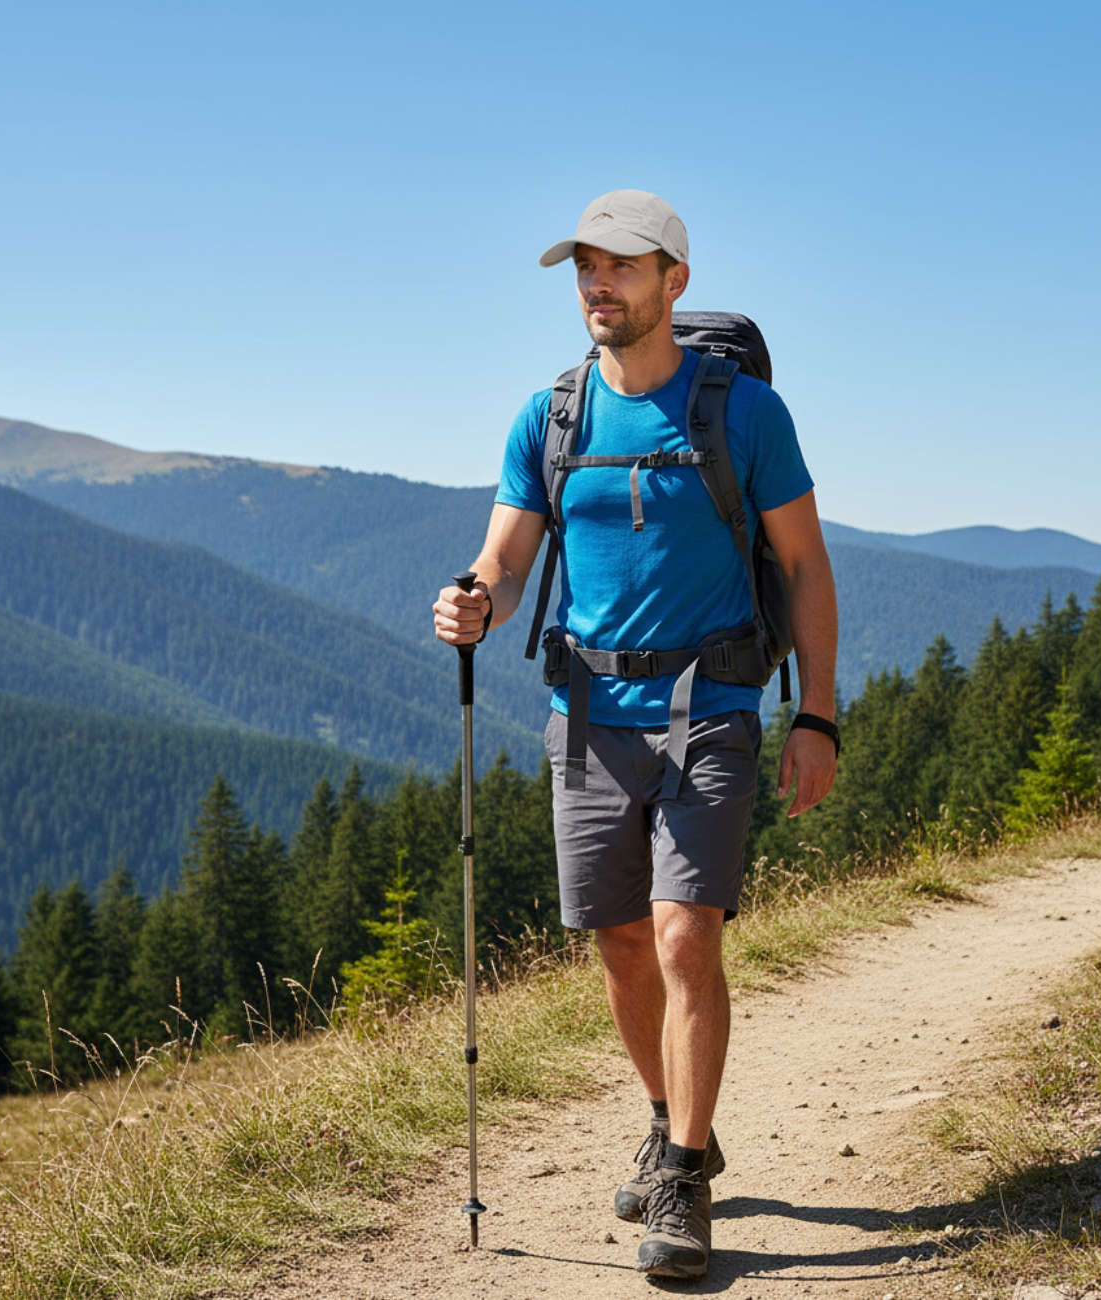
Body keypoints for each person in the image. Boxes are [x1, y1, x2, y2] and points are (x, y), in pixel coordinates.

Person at [433, 189, 838, 1279]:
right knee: (616, 943)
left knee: (681, 935)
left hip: (711, 708)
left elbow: (802, 566)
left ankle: (683, 1177)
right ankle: (671, 1121)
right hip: (585, 719)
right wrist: (471, 597)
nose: (598, 285)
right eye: (585, 269)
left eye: (621, 266)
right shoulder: (550, 416)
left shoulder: (741, 414)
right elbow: (507, 560)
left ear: (675, 281)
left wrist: (815, 714)